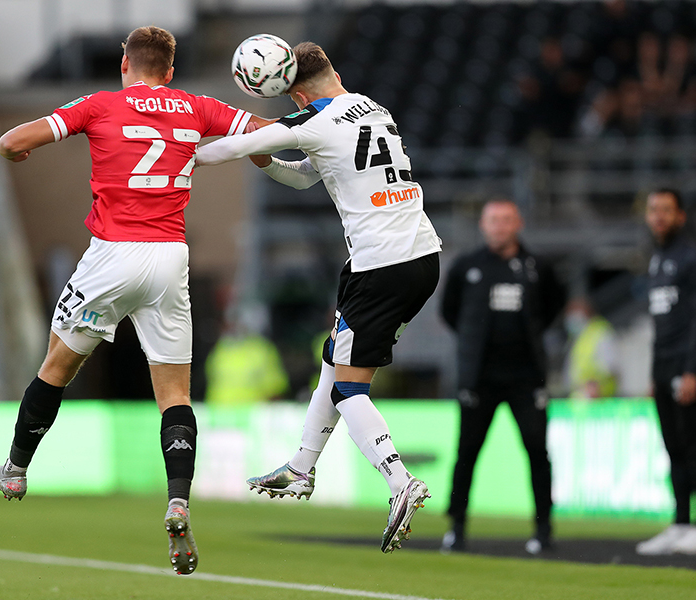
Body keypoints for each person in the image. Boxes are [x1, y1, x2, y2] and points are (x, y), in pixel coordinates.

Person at [0, 25, 270, 575]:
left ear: (124, 63)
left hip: (111, 256)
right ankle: (180, 498)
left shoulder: (99, 104)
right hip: (170, 258)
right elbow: (260, 136)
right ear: (169, 70)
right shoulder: (198, 105)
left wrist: (17, 157)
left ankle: (16, 468)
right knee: (175, 392)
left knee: (57, 366)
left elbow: (10, 142)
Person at [194, 42, 441, 553]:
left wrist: (177, 147)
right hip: (419, 256)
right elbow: (310, 175)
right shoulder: (371, 106)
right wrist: (269, 161)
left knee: (351, 387)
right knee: (333, 361)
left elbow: (219, 151)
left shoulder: (311, 120)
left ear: (297, 91)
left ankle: (400, 482)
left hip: (381, 265)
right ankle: (301, 468)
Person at [439, 199, 565, 555]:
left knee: (537, 451)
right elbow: (450, 313)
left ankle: (544, 529)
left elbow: (554, 305)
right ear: (482, 224)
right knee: (467, 453)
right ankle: (456, 528)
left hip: (527, 377)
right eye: (493, 220)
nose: (499, 226)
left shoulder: (537, 266)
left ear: (518, 223)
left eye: (506, 219)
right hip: (479, 378)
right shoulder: (467, 266)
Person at [636, 188, 696, 555]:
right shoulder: (657, 258)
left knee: (693, 444)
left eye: (666, 210)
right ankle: (681, 522)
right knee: (673, 447)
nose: (658, 216)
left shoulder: (692, 258)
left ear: (680, 216)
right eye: (653, 209)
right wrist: (656, 373)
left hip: (689, 363)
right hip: (665, 363)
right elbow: (661, 324)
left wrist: (690, 371)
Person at [563, 296, 619, 399]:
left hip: (600, 398)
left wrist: (594, 383)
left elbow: (610, 365)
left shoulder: (601, 332)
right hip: (581, 397)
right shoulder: (579, 337)